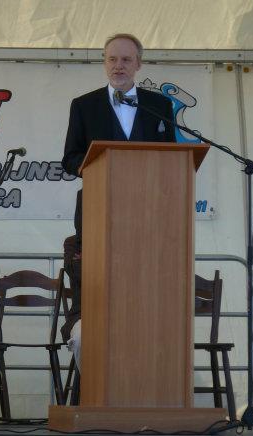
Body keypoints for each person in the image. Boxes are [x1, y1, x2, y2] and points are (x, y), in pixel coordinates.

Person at [60, 33, 176, 369]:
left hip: (147, 213)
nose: (118, 66)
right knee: (102, 288)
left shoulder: (158, 105)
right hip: (99, 210)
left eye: (126, 60)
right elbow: (70, 158)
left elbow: (172, 157)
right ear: (104, 63)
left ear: (138, 64)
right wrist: (96, 165)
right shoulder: (84, 105)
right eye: (112, 59)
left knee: (143, 293)